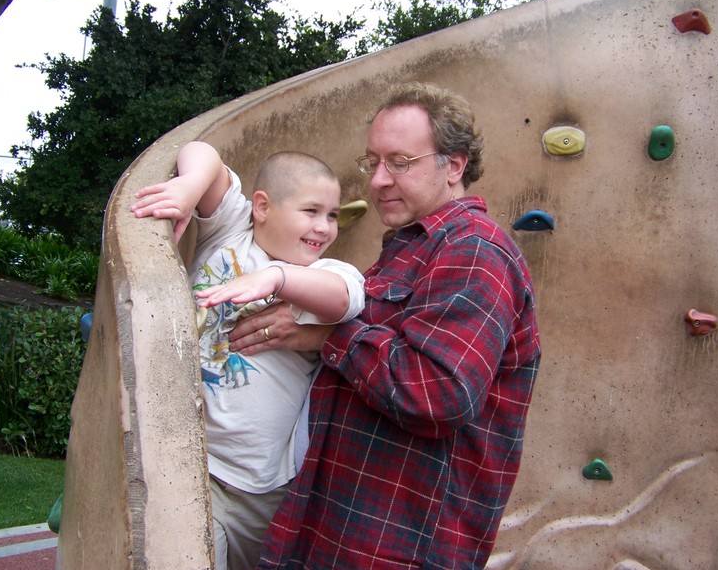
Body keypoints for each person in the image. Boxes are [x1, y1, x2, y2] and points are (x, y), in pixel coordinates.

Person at [227, 82, 541, 568]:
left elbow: (437, 393)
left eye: (400, 162)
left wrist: (327, 335)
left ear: (454, 166)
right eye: (372, 162)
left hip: (396, 545)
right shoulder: (413, 247)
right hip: (344, 530)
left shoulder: (473, 249)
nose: (378, 180)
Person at [131, 142, 366, 570]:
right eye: (311, 211)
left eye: (332, 215)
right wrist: (188, 188)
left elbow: (344, 298)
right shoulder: (230, 232)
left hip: (263, 486)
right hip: (194, 463)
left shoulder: (321, 273)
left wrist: (276, 278)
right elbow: (200, 151)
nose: (324, 227)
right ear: (262, 207)